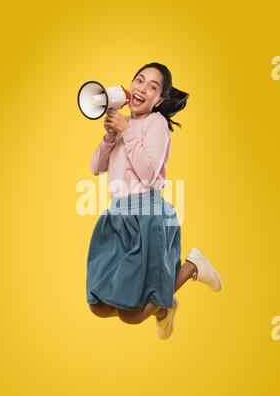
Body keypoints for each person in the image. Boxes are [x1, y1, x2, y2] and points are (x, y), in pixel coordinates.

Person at [86, 62, 222, 339]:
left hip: (149, 217)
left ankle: (191, 268)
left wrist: (126, 131)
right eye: (139, 81)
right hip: (117, 218)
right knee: (98, 305)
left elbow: (148, 175)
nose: (142, 89)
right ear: (129, 86)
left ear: (159, 100)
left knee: (132, 315)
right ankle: (164, 306)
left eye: (152, 87)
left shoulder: (156, 124)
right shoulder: (125, 124)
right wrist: (110, 137)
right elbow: (95, 167)